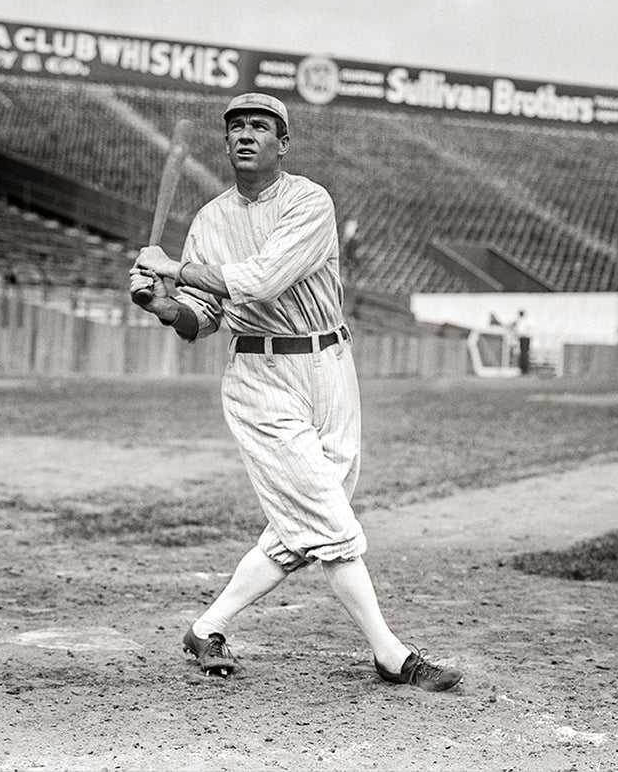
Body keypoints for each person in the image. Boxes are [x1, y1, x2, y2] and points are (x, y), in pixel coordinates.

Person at [129, 92, 462, 693]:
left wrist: (173, 268)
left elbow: (260, 280)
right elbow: (202, 319)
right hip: (261, 381)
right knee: (327, 521)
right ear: (226, 143)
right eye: (236, 128)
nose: (246, 136)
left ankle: (208, 627)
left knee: (304, 521)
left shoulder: (310, 202)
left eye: (260, 127)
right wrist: (162, 304)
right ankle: (391, 654)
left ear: (283, 144)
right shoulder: (209, 220)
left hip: (330, 367)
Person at [509, 309, 533, 374]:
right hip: (523, 338)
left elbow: (520, 331)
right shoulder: (522, 321)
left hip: (524, 338)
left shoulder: (522, 321)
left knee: (524, 354)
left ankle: (524, 369)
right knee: (523, 354)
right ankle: (523, 369)